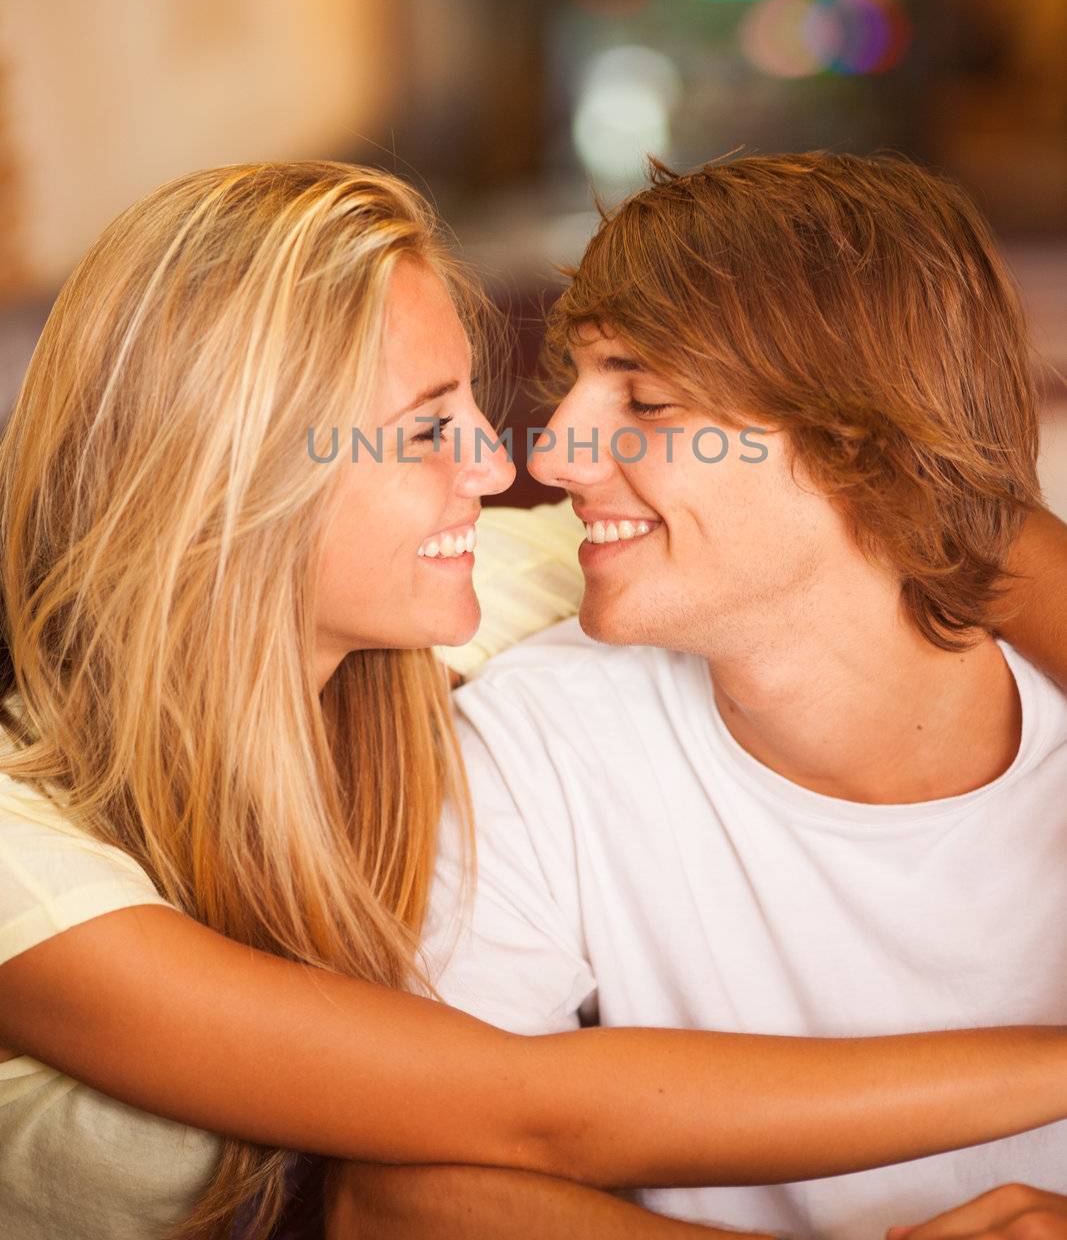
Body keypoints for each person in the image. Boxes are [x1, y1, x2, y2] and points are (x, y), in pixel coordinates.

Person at [6, 160, 1065, 1240]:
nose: (519, 459)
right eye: (424, 428)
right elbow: (521, 1119)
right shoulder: (21, 852)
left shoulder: (491, 581)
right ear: (233, 473)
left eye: (643, 399)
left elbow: (944, 505)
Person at [334, 153, 1067, 1240]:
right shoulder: (537, 745)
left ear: (859, 446)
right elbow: (398, 1198)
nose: (555, 453)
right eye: (575, 384)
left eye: (648, 399)